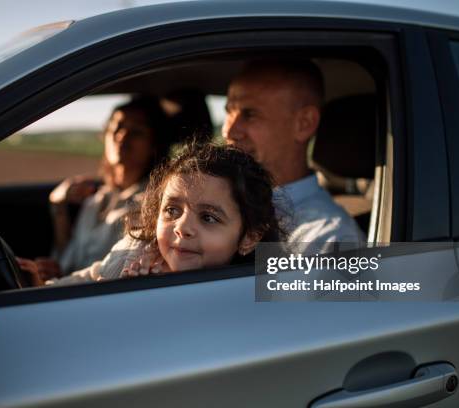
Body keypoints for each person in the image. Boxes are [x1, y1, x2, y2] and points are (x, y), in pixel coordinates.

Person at [20, 142, 282, 285]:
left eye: (208, 217)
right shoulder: (134, 249)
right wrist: (40, 287)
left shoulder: (256, 287)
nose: (182, 227)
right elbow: (85, 280)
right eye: (172, 210)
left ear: (249, 238)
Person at [221, 58, 365, 247]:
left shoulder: (328, 238)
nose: (229, 131)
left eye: (250, 114)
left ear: (304, 124)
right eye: (229, 112)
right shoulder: (224, 205)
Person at [27, 96, 174, 280]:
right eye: (116, 126)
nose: (122, 136)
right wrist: (58, 206)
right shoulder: (95, 199)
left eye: (136, 131)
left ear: (155, 144)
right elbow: (69, 264)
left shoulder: (152, 205)